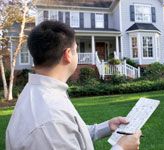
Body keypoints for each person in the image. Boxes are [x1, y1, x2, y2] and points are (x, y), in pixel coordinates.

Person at [6, 21, 141, 150]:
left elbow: (69, 134)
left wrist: (107, 126)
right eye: (76, 50)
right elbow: (56, 129)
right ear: (68, 55)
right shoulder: (50, 118)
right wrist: (122, 147)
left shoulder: (42, 93)